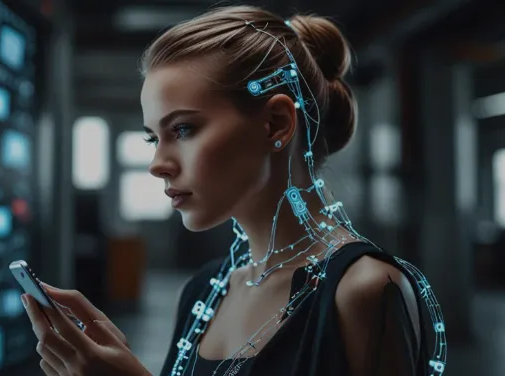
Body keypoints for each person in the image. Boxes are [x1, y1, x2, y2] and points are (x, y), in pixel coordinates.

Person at [22, 5, 444, 376]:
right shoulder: (203, 292)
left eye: (183, 129)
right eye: (154, 138)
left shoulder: (365, 293)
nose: (157, 164)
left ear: (276, 123)